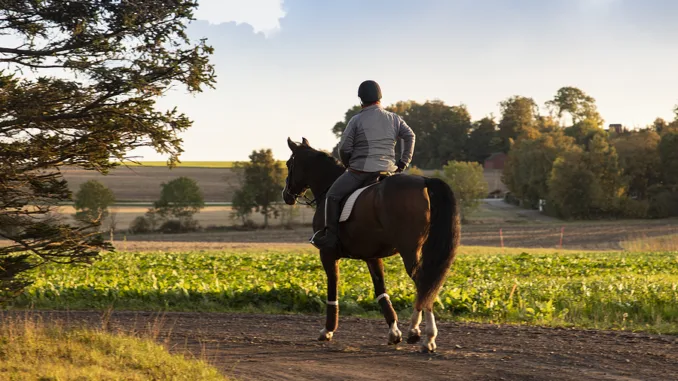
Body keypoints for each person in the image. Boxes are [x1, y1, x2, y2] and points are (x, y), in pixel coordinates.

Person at [310, 80, 416, 251]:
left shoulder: (356, 120)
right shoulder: (394, 118)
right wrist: (403, 162)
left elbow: (344, 147)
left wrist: (348, 165)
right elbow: (410, 136)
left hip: (360, 171)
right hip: (388, 171)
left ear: (361, 100)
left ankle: (330, 237)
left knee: (332, 196)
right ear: (380, 98)